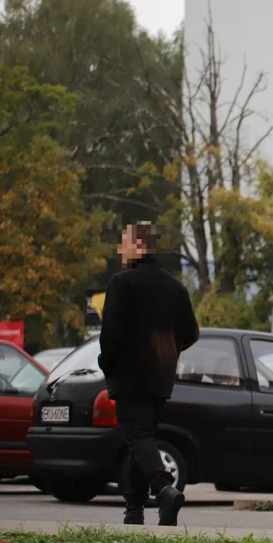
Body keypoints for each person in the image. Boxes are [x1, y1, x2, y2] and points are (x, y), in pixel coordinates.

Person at [98, 221, 200, 526]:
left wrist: (107, 363)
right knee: (140, 441)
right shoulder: (175, 286)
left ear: (140, 245)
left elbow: (111, 336)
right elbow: (191, 333)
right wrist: (169, 352)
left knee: (137, 436)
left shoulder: (122, 283)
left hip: (129, 376)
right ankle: (134, 510)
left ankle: (163, 488)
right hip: (160, 378)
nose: (120, 248)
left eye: (124, 242)